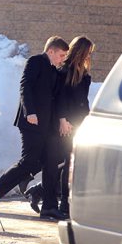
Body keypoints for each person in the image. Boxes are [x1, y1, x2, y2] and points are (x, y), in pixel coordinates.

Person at [0, 36, 69, 219]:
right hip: (31, 122)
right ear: (51, 51)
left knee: (50, 162)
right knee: (29, 161)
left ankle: (48, 205)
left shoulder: (54, 70)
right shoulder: (36, 61)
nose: (62, 59)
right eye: (61, 55)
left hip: (46, 126)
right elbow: (25, 86)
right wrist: (30, 111)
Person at [25, 36, 95, 218]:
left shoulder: (83, 73)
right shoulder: (64, 70)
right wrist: (63, 120)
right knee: (66, 163)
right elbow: (61, 97)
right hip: (65, 123)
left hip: (78, 122)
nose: (89, 55)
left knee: (70, 163)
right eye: (87, 52)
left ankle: (41, 192)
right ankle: (63, 204)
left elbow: (83, 100)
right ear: (81, 51)